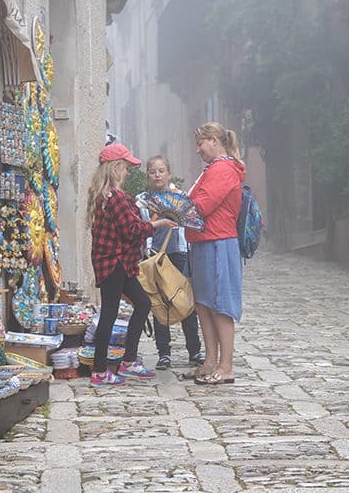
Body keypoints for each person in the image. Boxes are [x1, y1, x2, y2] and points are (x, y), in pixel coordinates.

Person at [87, 143, 177, 386]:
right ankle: (99, 371)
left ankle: (128, 361)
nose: (128, 172)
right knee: (109, 314)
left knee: (143, 302)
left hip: (119, 264)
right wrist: (158, 224)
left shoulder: (105, 196)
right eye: (126, 167)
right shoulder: (115, 198)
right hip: (113, 264)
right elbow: (133, 231)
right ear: (116, 168)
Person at [186, 122, 246, 385]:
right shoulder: (212, 169)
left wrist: (176, 206)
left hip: (218, 242)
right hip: (204, 241)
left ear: (214, 140)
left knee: (220, 305)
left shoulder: (223, 169)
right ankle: (210, 361)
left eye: (201, 143)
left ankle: (226, 366)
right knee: (204, 304)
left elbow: (203, 205)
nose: (198, 150)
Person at [137, 155, 204, 370]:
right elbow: (143, 228)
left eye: (161, 171)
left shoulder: (180, 197)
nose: (157, 175)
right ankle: (164, 352)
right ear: (147, 175)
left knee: (184, 301)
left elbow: (190, 224)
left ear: (169, 173)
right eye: (153, 171)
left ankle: (194, 349)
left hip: (180, 253)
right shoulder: (144, 201)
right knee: (160, 303)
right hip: (156, 255)